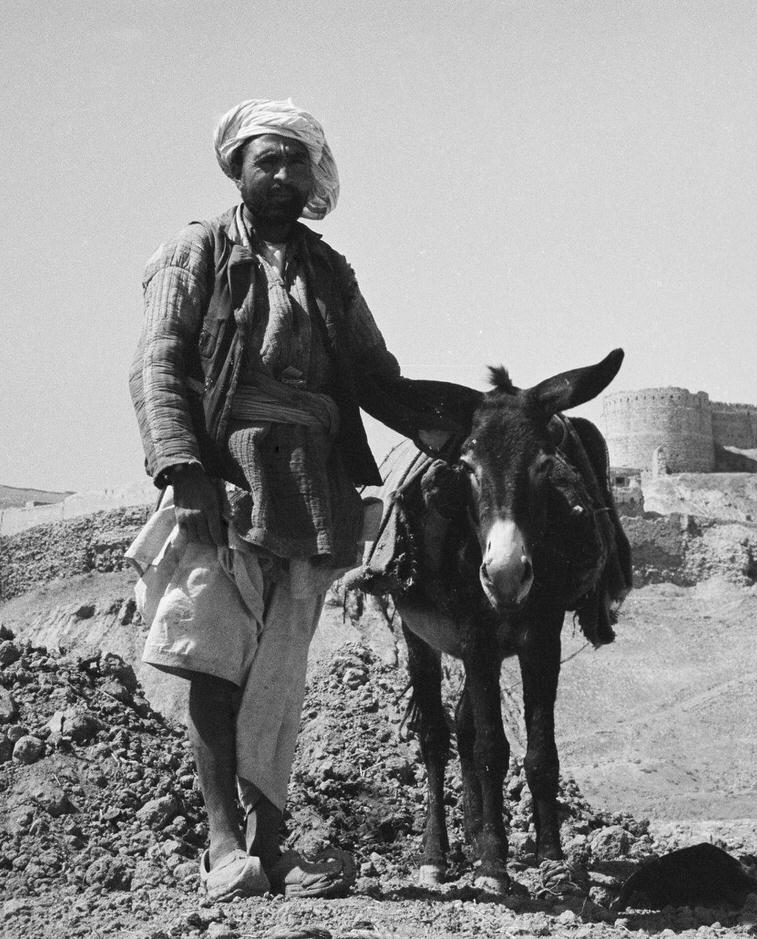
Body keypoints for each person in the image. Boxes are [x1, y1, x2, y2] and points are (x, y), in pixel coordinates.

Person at [126, 98, 448, 901]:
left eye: (294, 161)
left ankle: (273, 846)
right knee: (216, 653)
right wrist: (180, 467)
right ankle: (221, 841)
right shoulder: (197, 250)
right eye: (264, 160)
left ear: (313, 175)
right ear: (236, 168)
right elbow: (158, 360)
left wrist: (453, 424)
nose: (280, 174)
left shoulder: (331, 272)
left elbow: (376, 377)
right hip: (223, 476)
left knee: (280, 666)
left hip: (313, 485)